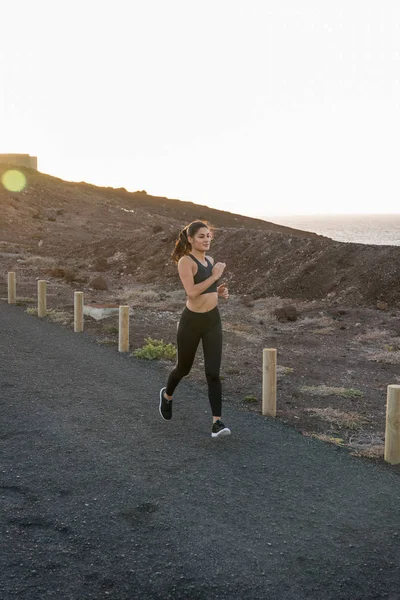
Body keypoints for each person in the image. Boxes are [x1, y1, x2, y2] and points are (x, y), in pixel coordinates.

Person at [159, 220, 231, 438]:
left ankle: (217, 423)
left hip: (212, 321)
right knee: (183, 368)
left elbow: (205, 288)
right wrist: (214, 277)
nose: (206, 239)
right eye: (201, 236)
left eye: (208, 235)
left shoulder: (209, 260)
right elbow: (191, 292)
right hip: (191, 322)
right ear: (190, 239)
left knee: (213, 373)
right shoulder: (185, 262)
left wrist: (217, 291)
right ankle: (167, 396)